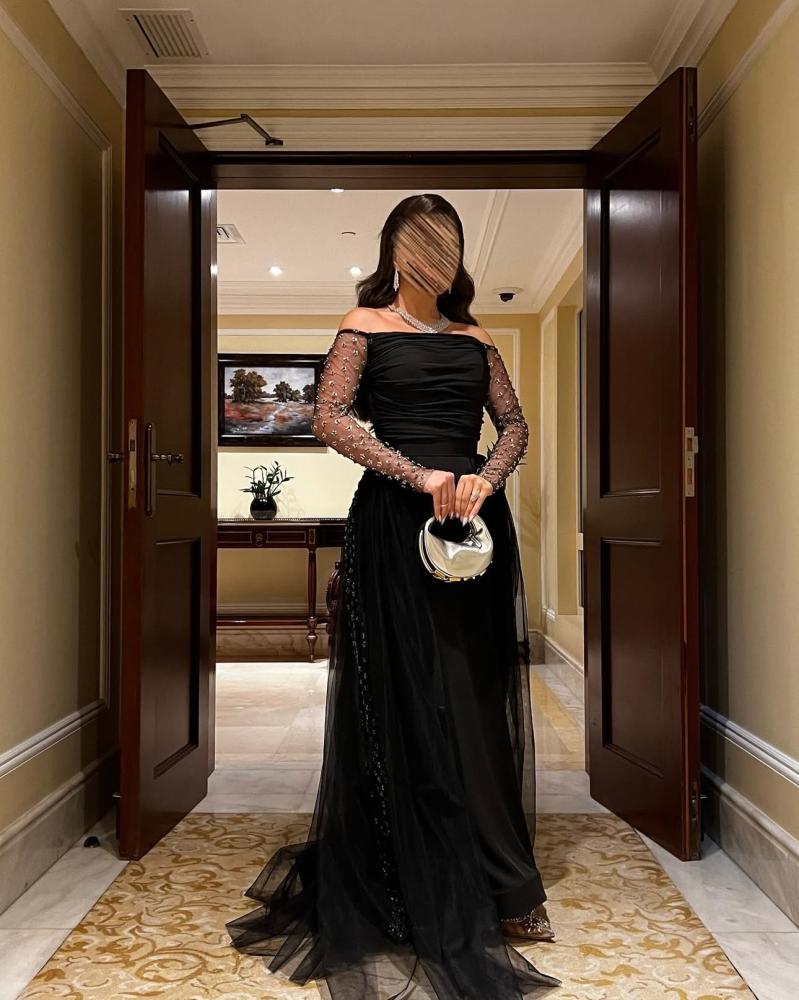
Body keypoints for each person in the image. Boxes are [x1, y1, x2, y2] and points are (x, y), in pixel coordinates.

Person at [226, 194, 563, 999]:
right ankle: (401, 867)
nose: (434, 257)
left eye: (447, 242)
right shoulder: (362, 325)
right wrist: (421, 476)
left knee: (473, 688)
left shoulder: (476, 338)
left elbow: (514, 426)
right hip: (394, 520)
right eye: (420, 242)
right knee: (405, 686)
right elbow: (329, 416)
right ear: (394, 251)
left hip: (473, 521)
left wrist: (484, 477)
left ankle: (502, 878)